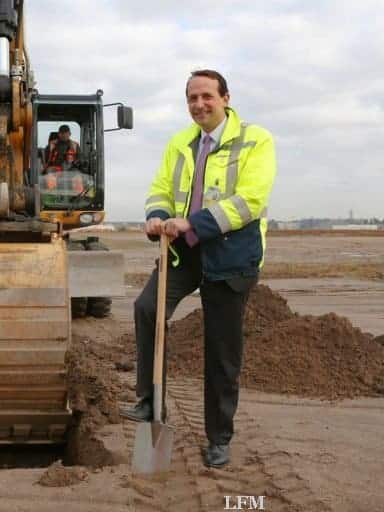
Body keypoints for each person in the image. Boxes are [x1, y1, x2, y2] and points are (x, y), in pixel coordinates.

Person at [120, 70, 276, 468]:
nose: (199, 104)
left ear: (226, 98)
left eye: (207, 96)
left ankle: (219, 438)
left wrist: (197, 222)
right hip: (184, 252)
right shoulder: (180, 143)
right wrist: (157, 216)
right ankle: (148, 403)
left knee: (222, 351)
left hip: (231, 255)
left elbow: (250, 201)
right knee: (147, 309)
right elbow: (160, 189)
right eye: (192, 98)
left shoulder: (256, 140)